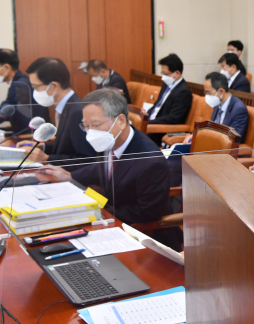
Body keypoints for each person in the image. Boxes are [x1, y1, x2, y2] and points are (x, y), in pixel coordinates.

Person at [39, 89, 178, 249]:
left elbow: (147, 214)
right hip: (110, 221)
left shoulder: (150, 162)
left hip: (142, 237)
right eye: (86, 126)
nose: (91, 133)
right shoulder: (109, 138)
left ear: (120, 120)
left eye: (96, 125)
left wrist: (100, 209)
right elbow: (101, 168)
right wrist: (70, 176)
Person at [19, 58, 97, 164]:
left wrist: (46, 159)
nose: (35, 92)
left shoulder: (77, 112)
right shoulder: (66, 108)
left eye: (36, 87)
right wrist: (44, 147)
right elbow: (67, 148)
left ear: (54, 86)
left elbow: (86, 159)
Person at [0, 48, 50, 133]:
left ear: (7, 67)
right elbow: (8, 109)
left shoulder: (20, 86)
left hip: (30, 137)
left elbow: (2, 116)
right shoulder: (19, 82)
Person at [148, 53, 193, 145]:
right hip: (151, 124)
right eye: (162, 73)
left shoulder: (183, 92)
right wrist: (144, 116)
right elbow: (157, 105)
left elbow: (173, 118)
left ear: (177, 73)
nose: (162, 77)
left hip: (160, 130)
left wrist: (149, 122)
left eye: (165, 74)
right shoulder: (166, 85)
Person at [204, 72, 249, 141]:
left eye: (209, 93)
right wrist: (195, 135)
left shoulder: (239, 109)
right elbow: (211, 127)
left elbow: (234, 139)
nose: (207, 96)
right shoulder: (217, 103)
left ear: (221, 91)